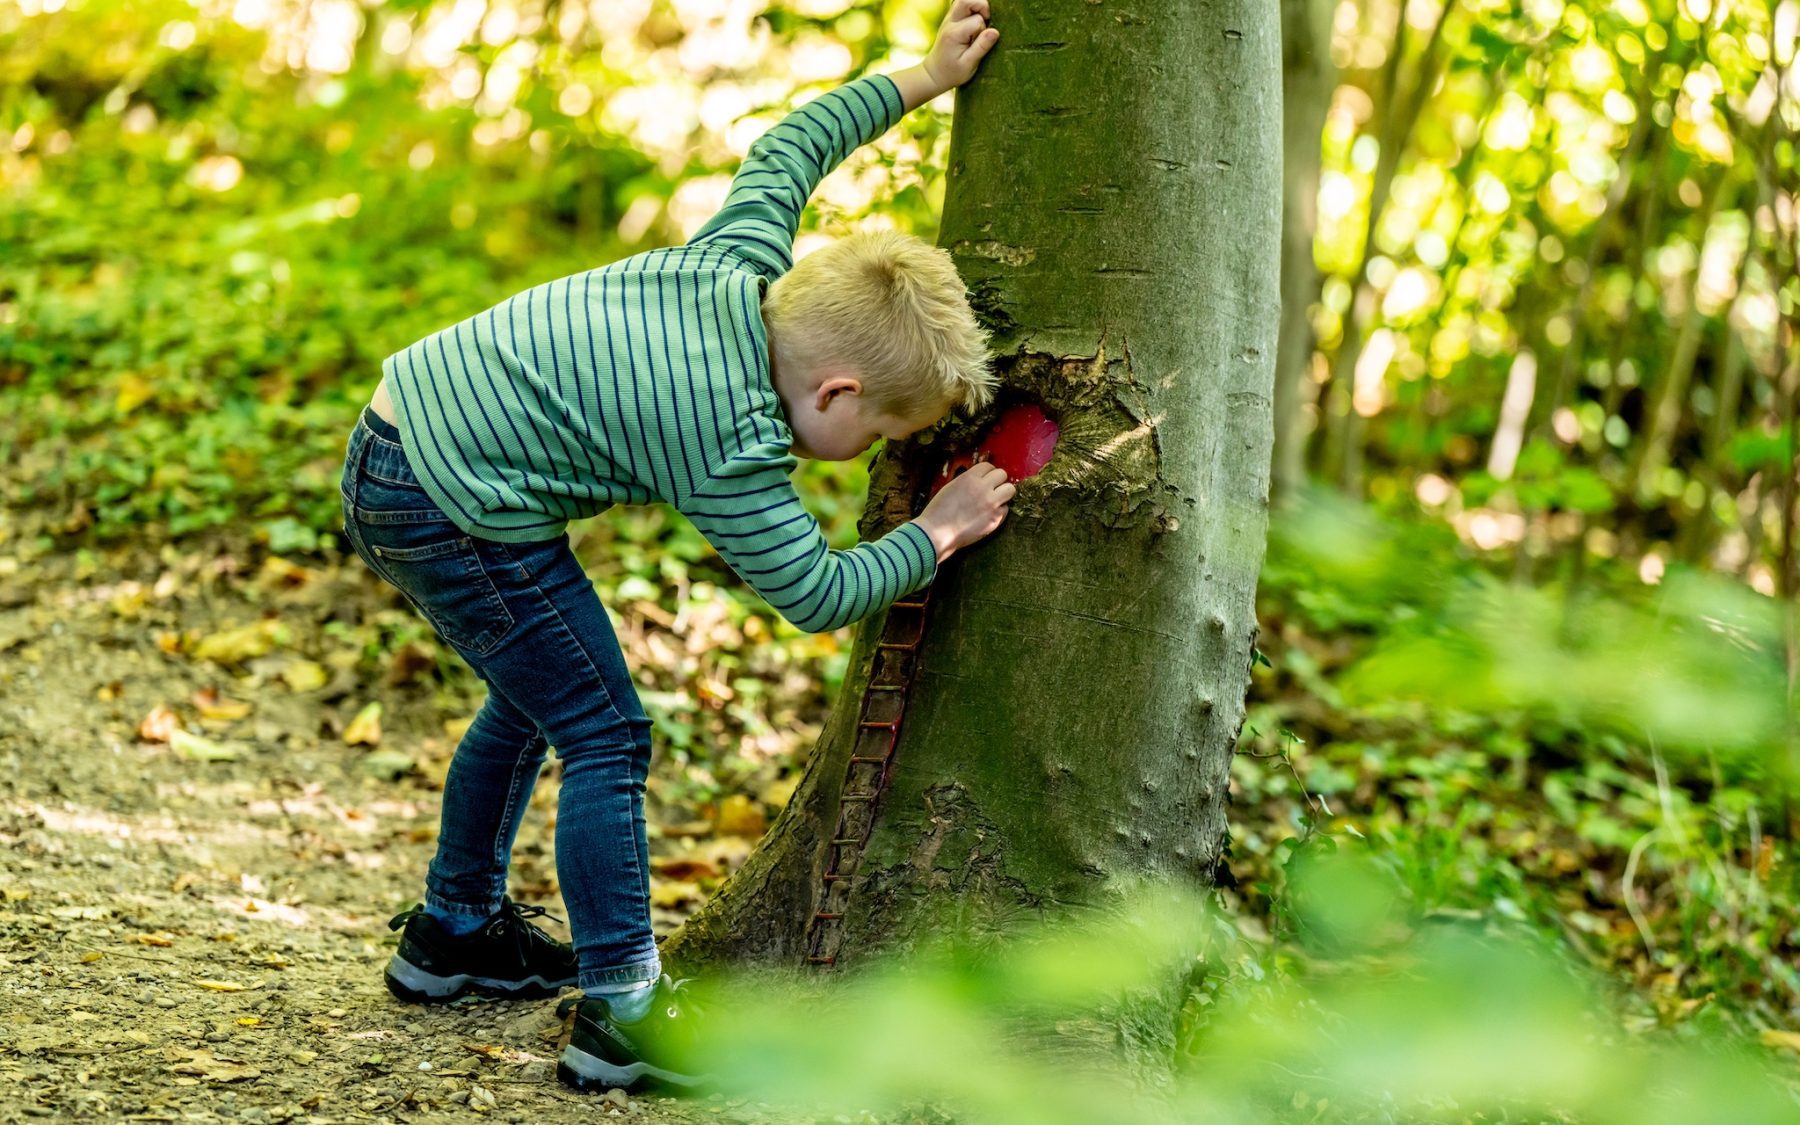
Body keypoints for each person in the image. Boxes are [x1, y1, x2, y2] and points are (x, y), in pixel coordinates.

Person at [336, 0, 1007, 1097]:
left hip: (400, 440)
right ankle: (622, 1012)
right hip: (447, 505)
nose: (869, 452)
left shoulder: (741, 264)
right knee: (606, 732)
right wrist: (934, 534)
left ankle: (452, 935)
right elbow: (815, 591)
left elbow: (792, 145)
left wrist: (922, 80)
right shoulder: (730, 440)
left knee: (533, 695)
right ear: (835, 389)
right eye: (878, 431)